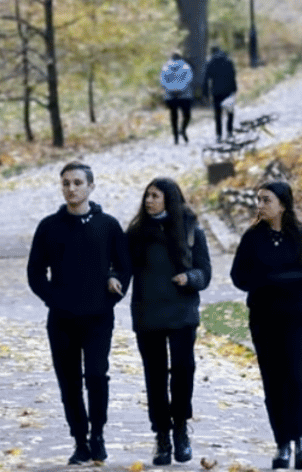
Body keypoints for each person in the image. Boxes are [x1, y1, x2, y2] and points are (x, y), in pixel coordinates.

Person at [27, 162, 132, 465]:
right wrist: (53, 299)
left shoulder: (108, 225)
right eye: (66, 183)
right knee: (69, 381)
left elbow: (125, 267)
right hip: (61, 318)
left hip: (98, 316)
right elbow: (35, 272)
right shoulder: (49, 227)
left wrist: (114, 286)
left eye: (77, 183)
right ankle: (80, 440)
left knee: (97, 375)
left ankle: (98, 434)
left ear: (90, 187)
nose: (71, 188)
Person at [229, 181, 302, 470]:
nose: (260, 205)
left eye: (266, 200)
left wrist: (281, 280)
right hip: (264, 319)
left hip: (297, 319)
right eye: (258, 199)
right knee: (273, 382)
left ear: (283, 204)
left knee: (296, 378)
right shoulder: (253, 238)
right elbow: (238, 277)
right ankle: (282, 443)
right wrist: (265, 282)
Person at [125, 177, 211, 466]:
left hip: (182, 313)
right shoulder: (136, 233)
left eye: (156, 196)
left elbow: (205, 274)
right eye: (147, 195)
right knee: (156, 375)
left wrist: (190, 278)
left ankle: (181, 429)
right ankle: (161, 434)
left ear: (169, 199)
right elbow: (122, 267)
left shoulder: (191, 231)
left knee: (183, 371)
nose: (149, 200)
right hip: (148, 314)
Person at [204, 46, 238, 141]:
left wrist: (205, 93)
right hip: (228, 90)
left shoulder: (210, 63)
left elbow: (206, 79)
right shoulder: (228, 61)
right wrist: (234, 89)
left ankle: (219, 134)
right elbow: (233, 75)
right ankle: (229, 131)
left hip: (216, 92)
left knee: (217, 114)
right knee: (230, 112)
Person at [159, 53, 194, 144]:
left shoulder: (166, 67)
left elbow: (162, 81)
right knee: (187, 115)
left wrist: (171, 89)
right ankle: (182, 129)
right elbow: (189, 79)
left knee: (174, 116)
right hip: (184, 95)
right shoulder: (186, 66)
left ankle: (175, 137)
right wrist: (181, 89)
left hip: (170, 96)